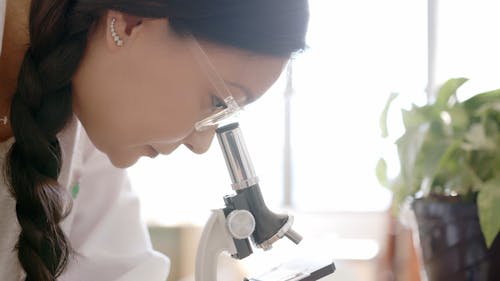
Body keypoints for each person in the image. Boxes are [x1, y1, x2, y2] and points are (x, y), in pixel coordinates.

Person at [0, 0, 309, 280]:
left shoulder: (87, 119)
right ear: (130, 22)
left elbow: (124, 270)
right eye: (217, 101)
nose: (201, 146)